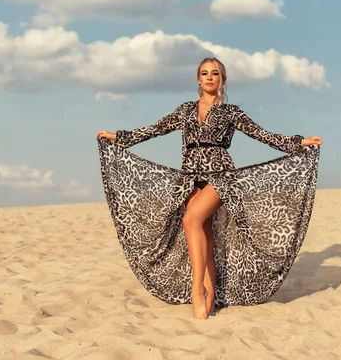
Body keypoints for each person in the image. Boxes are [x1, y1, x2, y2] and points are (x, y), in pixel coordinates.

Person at [96, 57, 322, 319]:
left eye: (215, 73)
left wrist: (299, 143)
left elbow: (263, 135)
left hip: (220, 174)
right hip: (190, 176)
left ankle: (196, 292)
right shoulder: (185, 110)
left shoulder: (231, 112)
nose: (210, 77)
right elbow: (155, 129)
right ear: (198, 79)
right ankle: (210, 295)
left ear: (222, 79)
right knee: (205, 233)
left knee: (190, 220)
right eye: (204, 73)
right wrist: (119, 138)